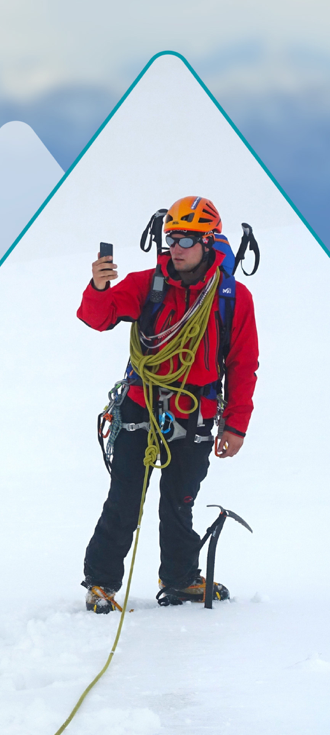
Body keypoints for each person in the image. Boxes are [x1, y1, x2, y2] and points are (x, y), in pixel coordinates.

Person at [77, 195, 259, 612]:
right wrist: (100, 287)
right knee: (125, 497)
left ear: (209, 243)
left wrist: (235, 425)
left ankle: (179, 578)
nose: (175, 247)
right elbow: (97, 317)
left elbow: (242, 364)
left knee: (181, 500)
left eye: (186, 240)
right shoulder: (148, 284)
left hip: (196, 413)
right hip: (141, 407)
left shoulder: (232, 297)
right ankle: (101, 582)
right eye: (171, 237)